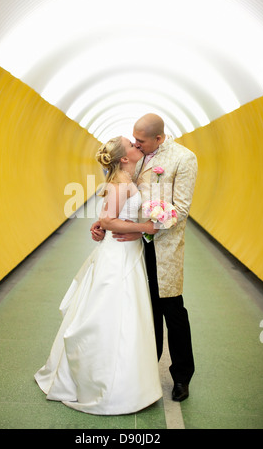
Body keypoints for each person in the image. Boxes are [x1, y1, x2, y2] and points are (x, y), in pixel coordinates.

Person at [34, 136, 162, 415]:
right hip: (118, 254)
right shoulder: (121, 184)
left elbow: (107, 218)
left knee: (126, 312)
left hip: (127, 252)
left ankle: (129, 377)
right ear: (124, 158)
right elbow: (107, 219)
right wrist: (145, 227)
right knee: (115, 310)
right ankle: (112, 384)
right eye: (132, 144)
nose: (136, 146)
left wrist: (134, 226)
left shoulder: (128, 178)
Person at [91, 114, 198, 402]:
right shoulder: (135, 157)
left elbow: (181, 209)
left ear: (159, 139)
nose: (136, 144)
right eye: (133, 139)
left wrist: (142, 231)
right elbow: (120, 191)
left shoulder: (184, 158)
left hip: (164, 246)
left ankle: (182, 376)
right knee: (143, 309)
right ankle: (146, 370)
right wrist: (104, 222)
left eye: (141, 140)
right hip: (133, 247)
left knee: (172, 309)